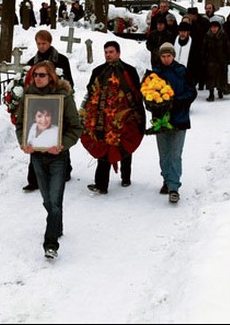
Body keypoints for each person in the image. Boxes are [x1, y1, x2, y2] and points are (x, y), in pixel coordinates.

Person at [15, 61, 82, 259]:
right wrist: (23, 141)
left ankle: (50, 243)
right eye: (36, 75)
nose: (38, 78)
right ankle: (57, 226)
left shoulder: (62, 96)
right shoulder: (28, 97)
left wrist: (62, 144)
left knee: (55, 200)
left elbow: (75, 128)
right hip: (37, 156)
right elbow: (21, 124)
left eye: (42, 75)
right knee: (47, 200)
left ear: (51, 76)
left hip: (57, 157)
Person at [81, 41, 146, 194]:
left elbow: (137, 92)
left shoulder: (129, 71)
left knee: (124, 145)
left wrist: (135, 113)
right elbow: (91, 90)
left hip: (125, 116)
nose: (108, 55)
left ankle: (125, 176)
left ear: (118, 53)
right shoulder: (98, 71)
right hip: (104, 117)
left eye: (111, 52)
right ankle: (101, 184)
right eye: (106, 52)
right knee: (103, 145)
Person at [22, 30, 74, 192]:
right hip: (38, 104)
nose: (41, 46)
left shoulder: (61, 60)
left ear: (50, 43)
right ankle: (34, 179)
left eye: (44, 43)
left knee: (57, 136)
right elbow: (27, 82)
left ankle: (65, 169)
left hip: (56, 103)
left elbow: (69, 82)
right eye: (38, 43)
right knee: (36, 137)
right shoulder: (33, 62)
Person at [151, 43, 197, 203]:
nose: (166, 59)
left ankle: (174, 187)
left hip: (179, 118)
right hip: (161, 120)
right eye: (163, 56)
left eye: (168, 56)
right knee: (164, 154)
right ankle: (167, 179)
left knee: (175, 154)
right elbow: (147, 93)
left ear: (173, 56)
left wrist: (176, 101)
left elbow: (191, 91)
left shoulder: (182, 71)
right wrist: (155, 105)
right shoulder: (155, 73)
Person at [201, 16, 230, 101]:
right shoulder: (207, 36)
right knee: (210, 78)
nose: (214, 29)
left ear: (219, 28)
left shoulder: (223, 36)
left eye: (215, 27)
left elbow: (228, 48)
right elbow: (204, 48)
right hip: (210, 61)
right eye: (212, 27)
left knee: (221, 77)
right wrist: (203, 58)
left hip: (221, 60)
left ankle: (220, 91)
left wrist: (229, 59)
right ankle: (211, 94)